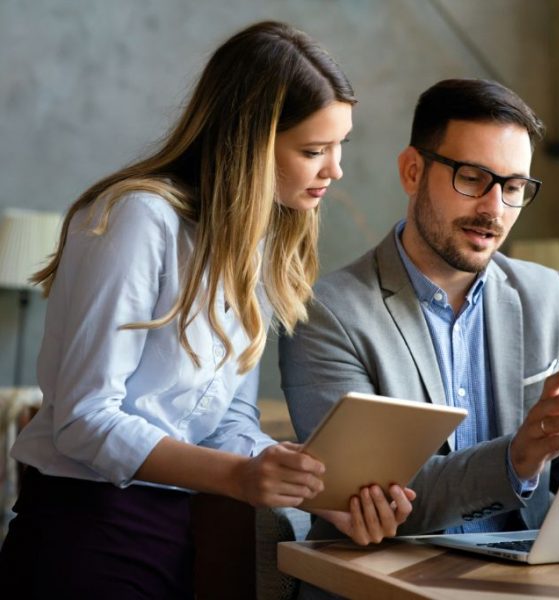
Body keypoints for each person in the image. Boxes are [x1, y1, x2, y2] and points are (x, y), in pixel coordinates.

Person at [0, 21, 414, 599]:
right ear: (248, 142)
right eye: (314, 150)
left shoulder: (258, 240)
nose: (335, 170)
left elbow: (227, 422)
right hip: (84, 532)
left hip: (180, 532)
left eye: (341, 146)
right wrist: (242, 477)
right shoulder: (135, 219)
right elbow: (83, 418)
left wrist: (305, 480)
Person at [279, 78, 559, 598]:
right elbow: (367, 500)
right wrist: (517, 459)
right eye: (473, 178)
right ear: (412, 171)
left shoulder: (547, 295)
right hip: (381, 580)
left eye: (513, 187)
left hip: (531, 581)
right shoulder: (326, 313)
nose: (494, 208)